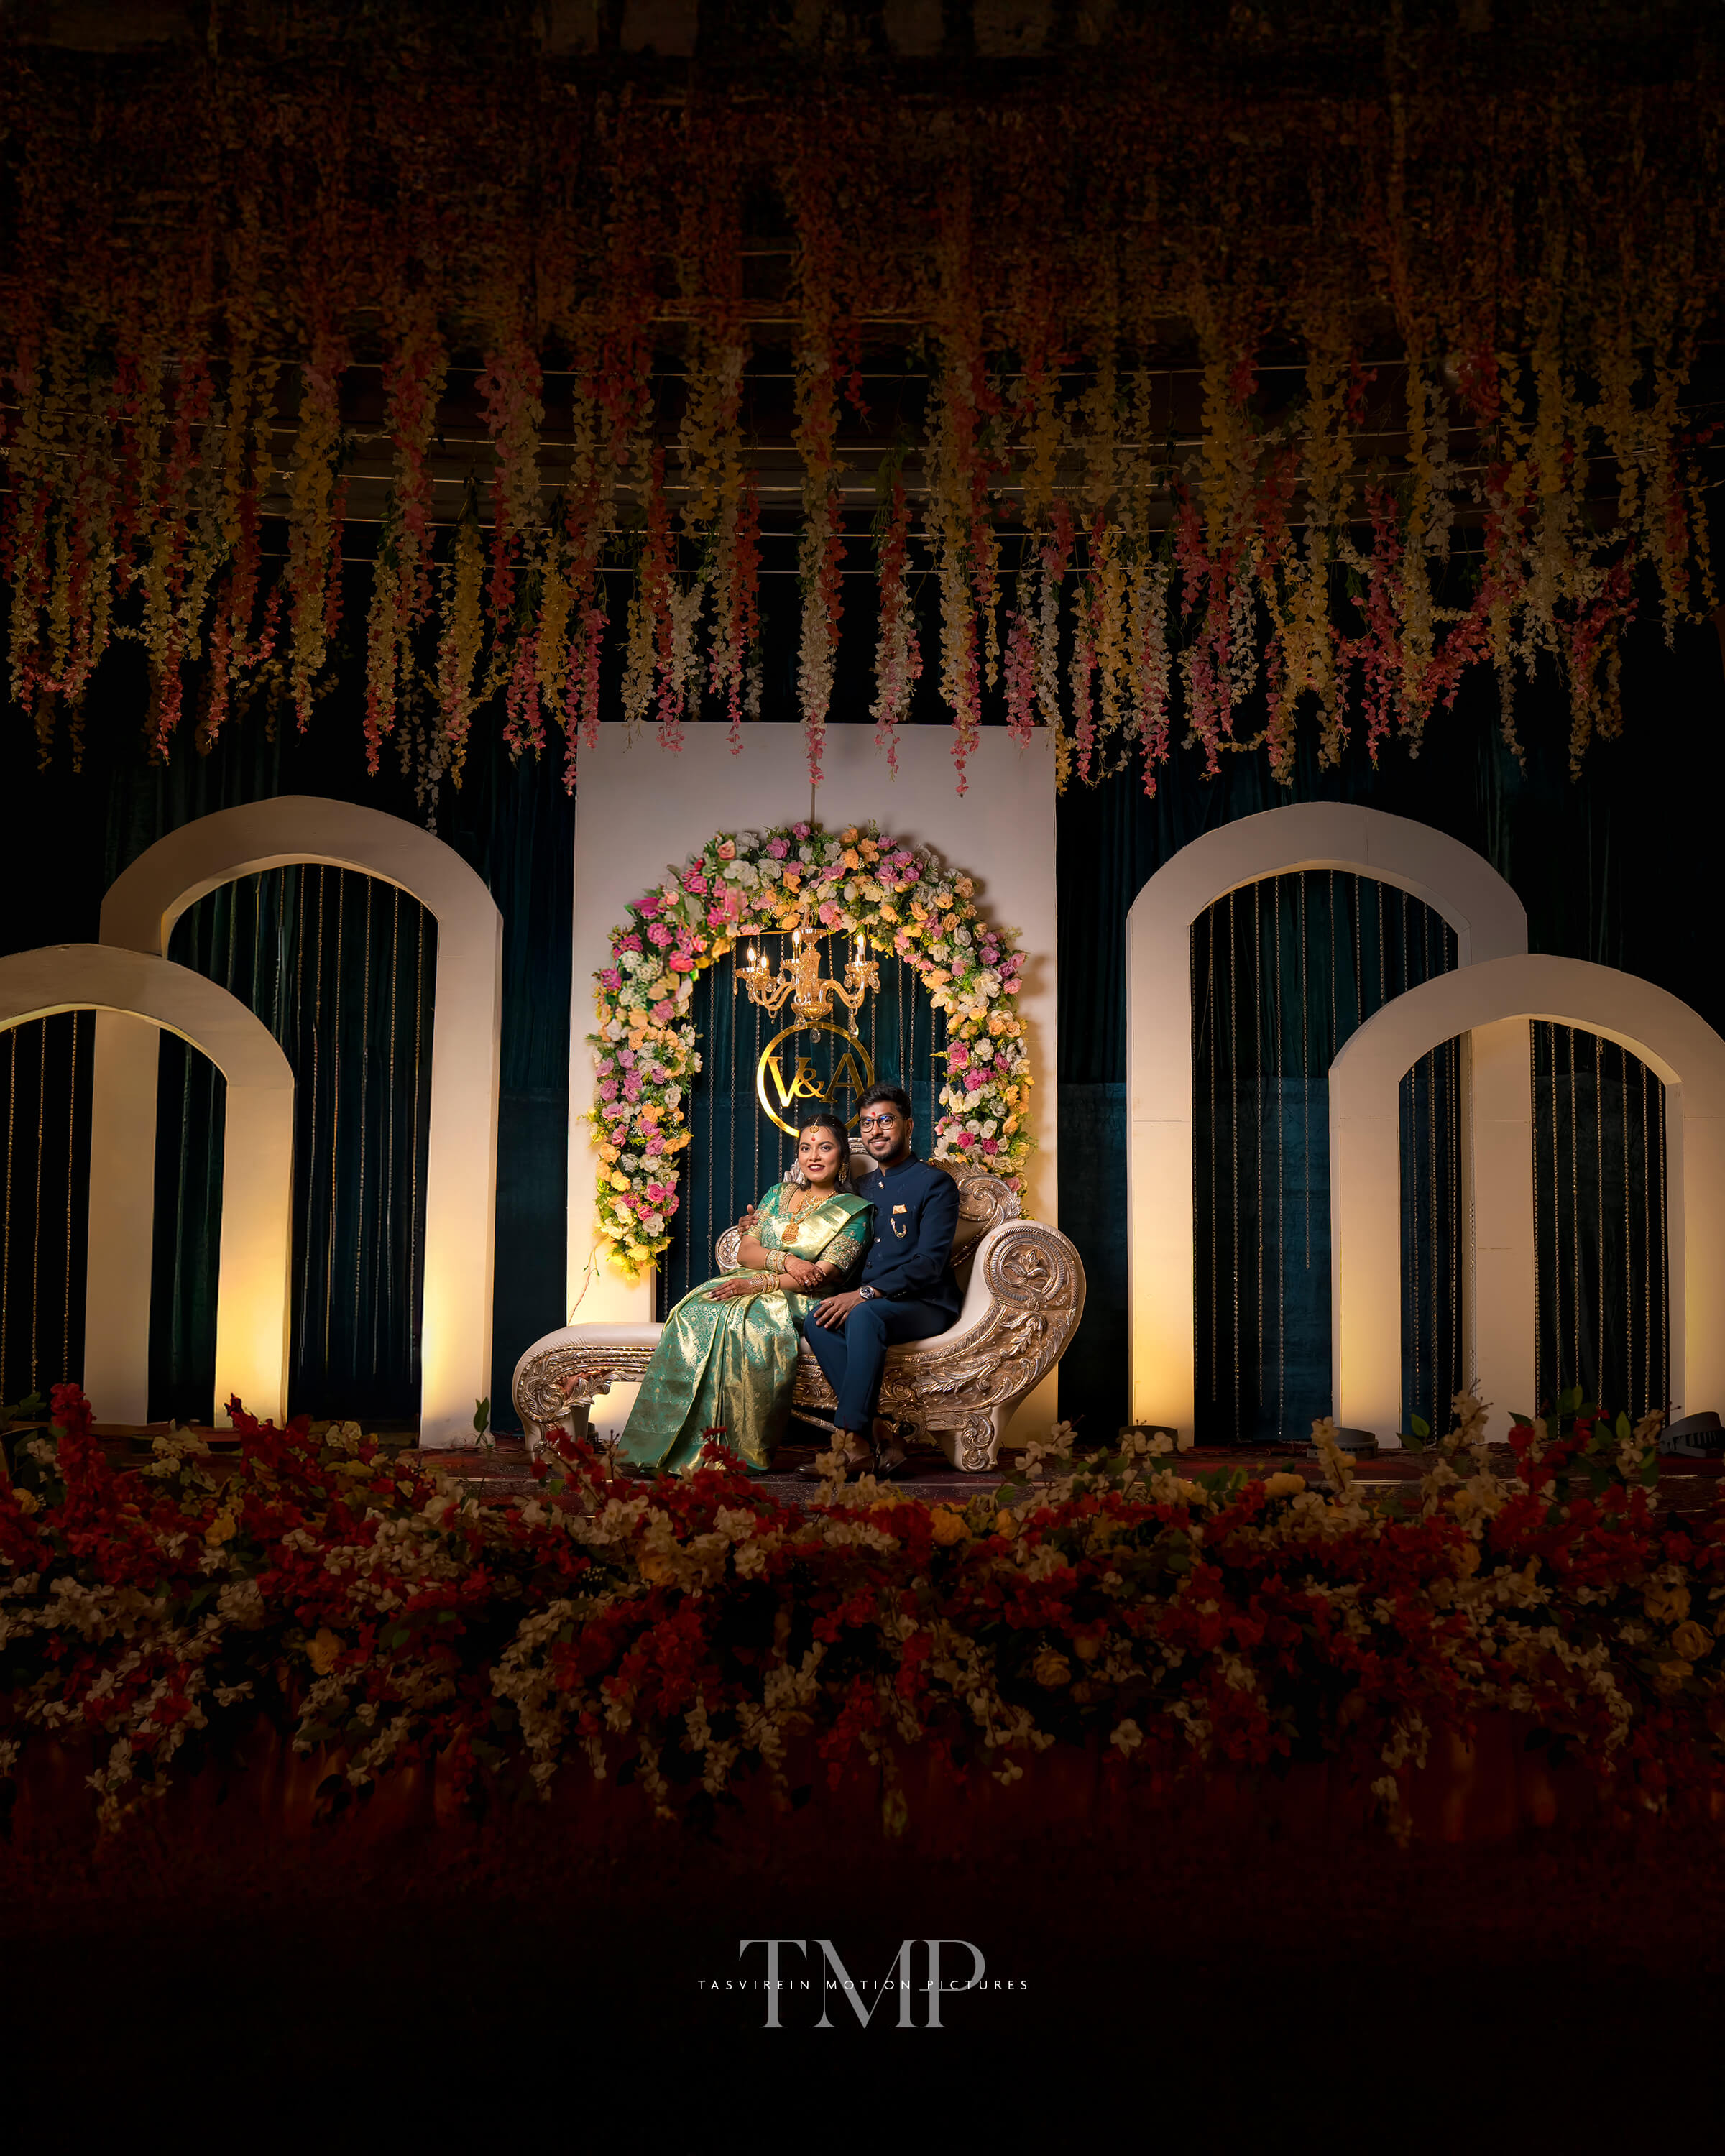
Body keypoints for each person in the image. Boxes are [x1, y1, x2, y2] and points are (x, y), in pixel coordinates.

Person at [615, 1112, 874, 1475]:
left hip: (800, 1298)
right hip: (746, 1282)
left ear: (842, 1156)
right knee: (693, 1313)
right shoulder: (779, 1193)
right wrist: (787, 1260)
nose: (814, 1156)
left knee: (748, 1326)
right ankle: (670, 1444)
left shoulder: (856, 1212)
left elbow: (820, 1276)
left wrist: (759, 1282)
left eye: (825, 1148)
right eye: (805, 1148)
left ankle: (730, 1451)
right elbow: (745, 1252)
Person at [800, 1082, 961, 1480]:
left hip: (925, 1303)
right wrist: (759, 1226)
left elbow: (930, 1263)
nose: (876, 1131)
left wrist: (865, 1294)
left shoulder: (934, 1183)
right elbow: (812, 1230)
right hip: (873, 1303)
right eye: (867, 1123)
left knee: (863, 1316)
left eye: (885, 1120)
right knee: (817, 1320)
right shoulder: (860, 1188)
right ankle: (879, 1434)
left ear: (908, 1125)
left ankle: (847, 1442)